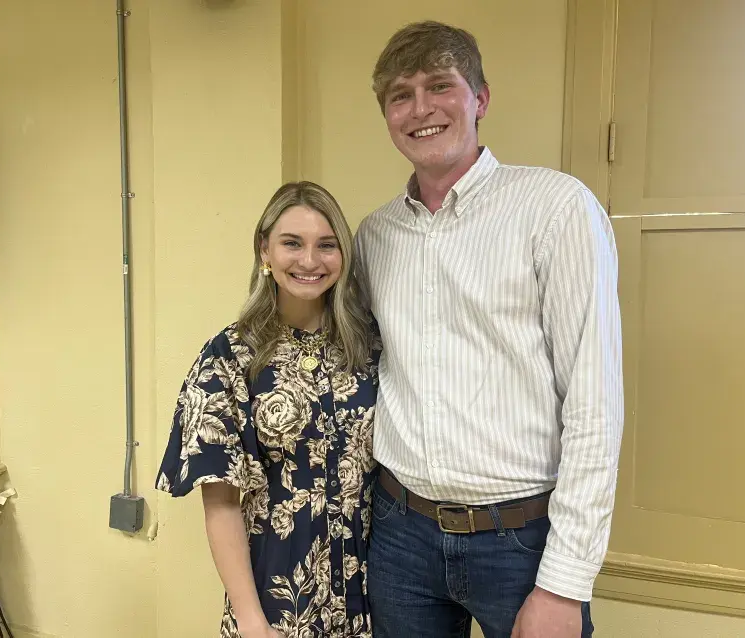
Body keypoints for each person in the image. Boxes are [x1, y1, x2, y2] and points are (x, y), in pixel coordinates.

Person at [354, 21, 624, 638]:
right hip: (400, 535)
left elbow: (595, 407)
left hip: (521, 541)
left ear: (480, 99)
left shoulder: (555, 208)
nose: (420, 108)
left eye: (439, 86)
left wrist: (565, 582)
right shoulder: (374, 237)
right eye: (400, 95)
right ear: (387, 116)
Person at [156, 181, 381, 638]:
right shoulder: (231, 356)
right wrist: (251, 620)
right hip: (278, 599)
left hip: (373, 594)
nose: (310, 261)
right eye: (292, 243)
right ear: (265, 250)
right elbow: (221, 502)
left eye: (327, 245)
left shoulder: (370, 346)